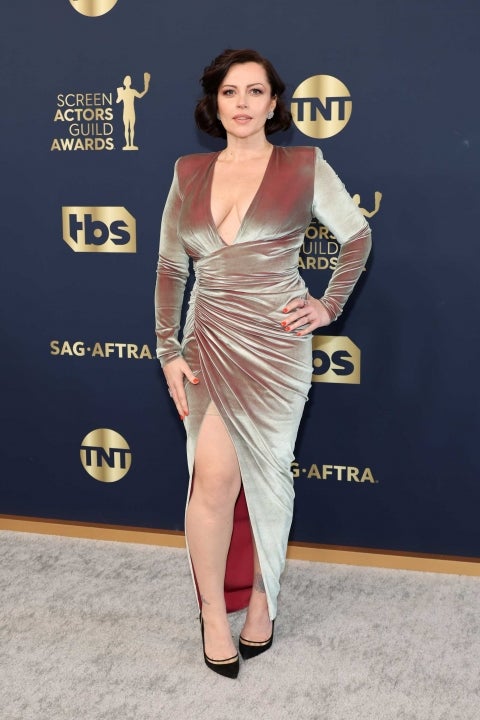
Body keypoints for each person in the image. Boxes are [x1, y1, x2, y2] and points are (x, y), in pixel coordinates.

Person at [154, 48, 371, 679]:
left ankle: (261, 600)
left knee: (268, 480)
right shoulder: (188, 171)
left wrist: (328, 304)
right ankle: (212, 615)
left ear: (274, 102)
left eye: (255, 91)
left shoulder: (303, 165)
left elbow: (356, 236)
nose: (242, 103)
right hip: (206, 341)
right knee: (212, 480)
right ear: (214, 102)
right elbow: (170, 266)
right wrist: (167, 347)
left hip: (275, 347)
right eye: (230, 91)